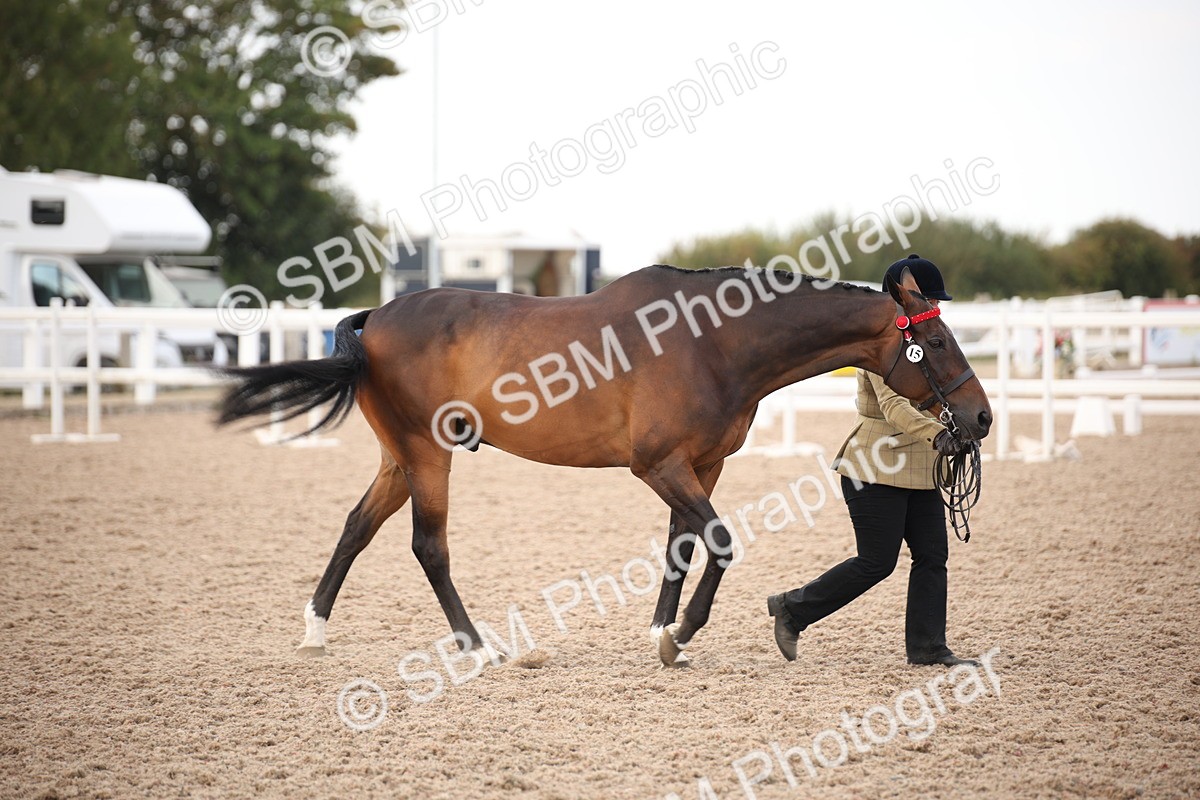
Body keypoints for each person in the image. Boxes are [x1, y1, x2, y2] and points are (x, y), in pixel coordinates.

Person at [767, 254, 978, 667]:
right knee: (876, 562)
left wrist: (961, 425)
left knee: (933, 556)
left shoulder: (929, 343)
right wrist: (939, 435)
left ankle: (928, 647)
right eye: (923, 298)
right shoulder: (883, 345)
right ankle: (793, 608)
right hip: (874, 468)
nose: (931, 307)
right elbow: (896, 406)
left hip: (921, 467)